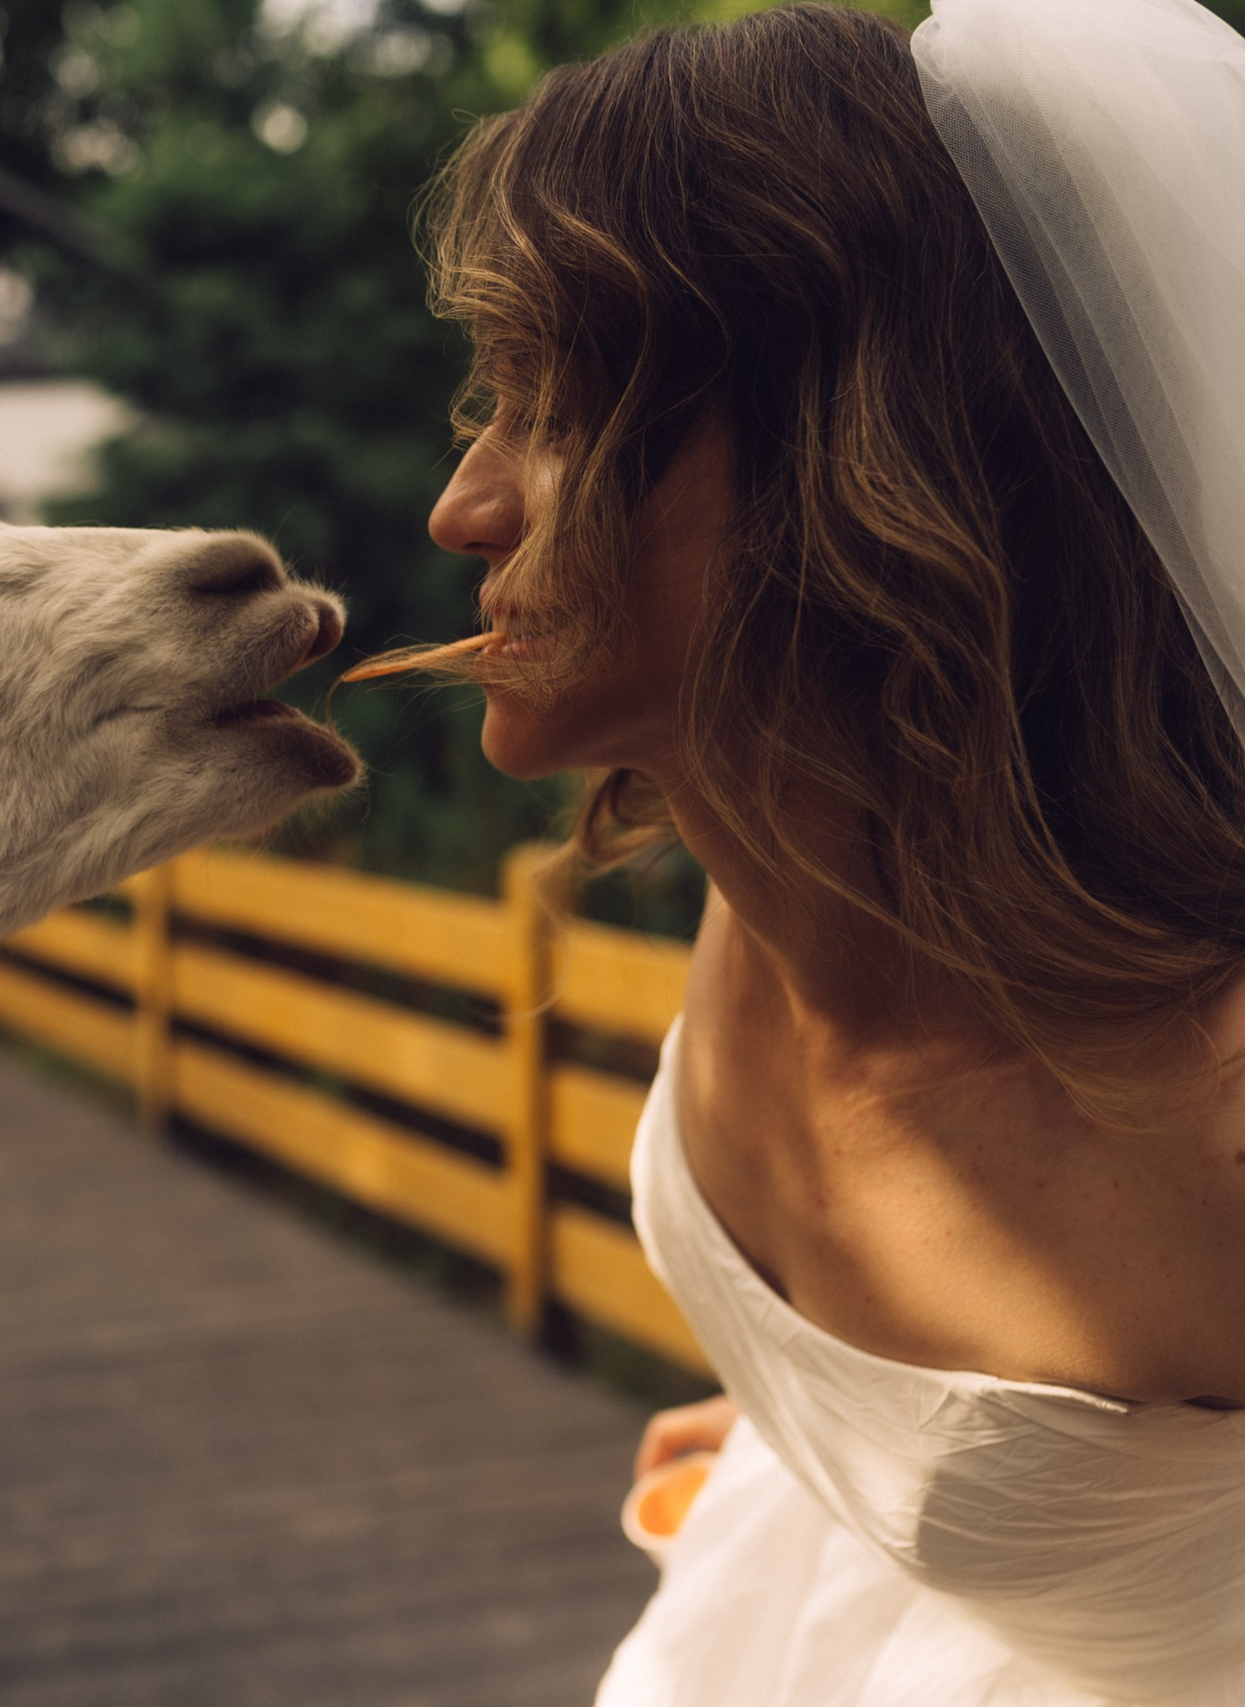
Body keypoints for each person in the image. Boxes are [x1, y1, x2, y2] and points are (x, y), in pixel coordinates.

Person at [388, 2, 1245, 1700]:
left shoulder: (1212, 1101)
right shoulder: (773, 876)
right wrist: (835, 1431)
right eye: (491, 402)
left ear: (852, 451)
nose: (462, 511)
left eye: (564, 413)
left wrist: (1089, 1532)